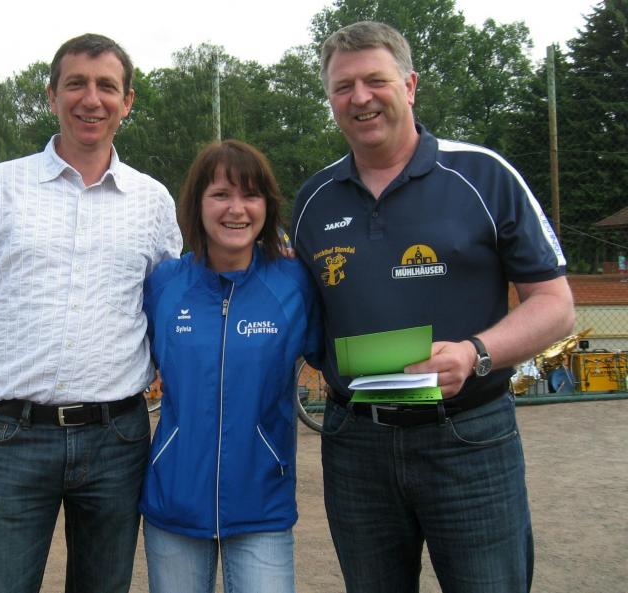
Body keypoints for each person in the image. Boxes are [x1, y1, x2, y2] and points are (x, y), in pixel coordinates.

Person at [291, 21, 575, 593]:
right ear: (330, 99)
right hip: (356, 444)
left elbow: (555, 305)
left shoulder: (484, 175)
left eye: (376, 80)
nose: (360, 97)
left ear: (410, 85)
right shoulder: (313, 201)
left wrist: (475, 353)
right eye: (343, 87)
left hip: (467, 437)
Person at [0, 33, 182, 593]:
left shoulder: (153, 202)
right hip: (13, 437)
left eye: (107, 86)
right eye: (76, 83)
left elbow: (179, 314)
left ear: (127, 102)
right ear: (52, 95)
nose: (91, 99)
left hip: (118, 441)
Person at [140, 140, 322, 593]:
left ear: (267, 206)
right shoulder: (164, 284)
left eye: (250, 195)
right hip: (174, 505)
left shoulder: (295, 282)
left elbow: (331, 355)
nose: (236, 209)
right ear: (197, 204)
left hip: (262, 505)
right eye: (220, 194)